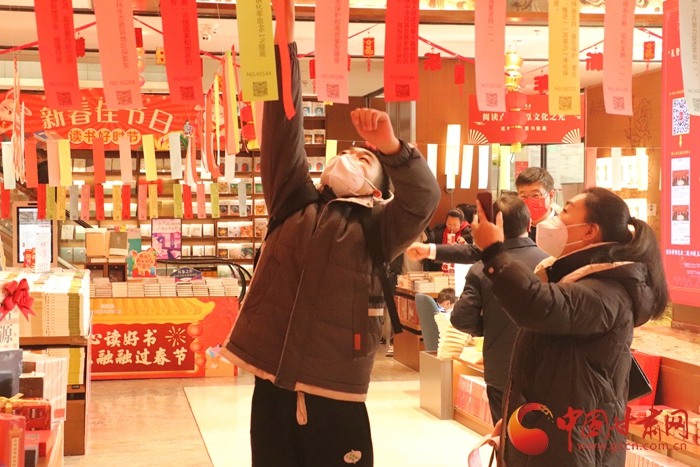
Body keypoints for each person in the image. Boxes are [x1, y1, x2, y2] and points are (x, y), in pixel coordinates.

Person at [220, 2, 440, 465]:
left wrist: (391, 147)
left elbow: (422, 198)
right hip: (270, 375)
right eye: (348, 153)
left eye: (365, 159)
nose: (351, 158)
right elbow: (283, 130)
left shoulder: (379, 227)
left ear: (378, 188)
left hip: (335, 385)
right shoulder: (293, 203)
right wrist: (285, 47)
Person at [470, 187, 669, 466]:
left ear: (589, 231)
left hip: (573, 443)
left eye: (565, 210)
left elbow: (537, 305)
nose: (555, 218)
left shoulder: (606, 291)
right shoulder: (578, 280)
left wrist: (494, 253)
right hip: (554, 431)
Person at [450, 196, 548, 424]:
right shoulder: (552, 263)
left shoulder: (481, 269)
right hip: (548, 370)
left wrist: (489, 327)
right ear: (529, 224)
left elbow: (461, 318)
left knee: (505, 436)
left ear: (493, 228)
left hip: (502, 369)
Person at [515, 167, 561, 241]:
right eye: (523, 196)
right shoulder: (515, 229)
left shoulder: (562, 227)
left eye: (535, 195)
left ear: (551, 195)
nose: (529, 200)